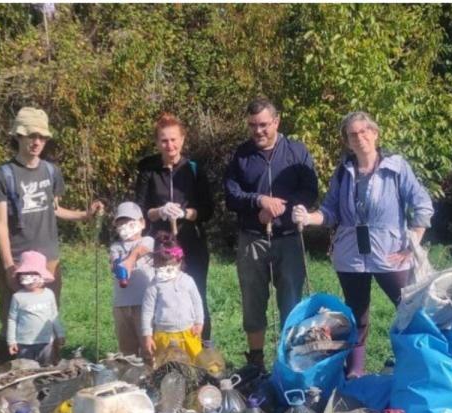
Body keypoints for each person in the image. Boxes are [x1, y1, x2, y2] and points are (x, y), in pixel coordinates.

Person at [292, 111, 434, 378]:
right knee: (356, 314)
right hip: (351, 256)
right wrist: (308, 217)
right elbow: (331, 211)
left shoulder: (396, 167)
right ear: (347, 140)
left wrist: (411, 245)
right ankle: (354, 373)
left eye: (364, 132)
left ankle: (423, 365)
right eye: (353, 134)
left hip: (390, 254)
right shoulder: (344, 172)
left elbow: (422, 205)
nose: (359, 138)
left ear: (375, 133)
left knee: (410, 308)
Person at [0, 106, 103, 365]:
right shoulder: (3, 175)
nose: (37, 142)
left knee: (47, 320)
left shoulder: (51, 172)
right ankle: (8, 381)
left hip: (49, 261)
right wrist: (7, 267)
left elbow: (55, 209)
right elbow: (0, 224)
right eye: (31, 136)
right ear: (19, 135)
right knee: (12, 321)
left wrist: (85, 214)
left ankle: (47, 379)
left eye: (42, 137)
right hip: (17, 260)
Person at [225, 98, 318, 373]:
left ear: (276, 122)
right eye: (253, 125)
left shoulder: (296, 151)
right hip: (251, 238)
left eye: (264, 124)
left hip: (289, 237)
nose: (259, 131)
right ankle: (255, 361)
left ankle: (289, 361)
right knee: (253, 301)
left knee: (290, 300)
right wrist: (258, 201)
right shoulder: (240, 155)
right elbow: (231, 195)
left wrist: (277, 209)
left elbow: (310, 191)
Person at [134, 113, 215, 344]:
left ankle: (200, 348)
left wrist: (186, 213)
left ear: (182, 139)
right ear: (157, 142)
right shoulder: (148, 170)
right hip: (161, 245)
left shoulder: (194, 169)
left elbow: (208, 210)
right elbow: (140, 210)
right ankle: (161, 350)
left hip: (192, 243)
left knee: (195, 294)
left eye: (174, 139)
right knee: (160, 296)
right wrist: (159, 211)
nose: (170, 145)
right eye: (164, 140)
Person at [141, 232, 205, 362]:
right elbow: (147, 311)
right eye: (162, 267)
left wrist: (199, 322)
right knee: (166, 367)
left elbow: (197, 302)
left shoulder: (188, 281)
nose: (167, 270)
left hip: (188, 333)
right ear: (156, 264)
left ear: (179, 261)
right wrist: (147, 335)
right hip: (164, 336)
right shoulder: (154, 285)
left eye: (171, 266)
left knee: (194, 364)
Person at [109, 201, 155, 358]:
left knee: (148, 345)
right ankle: (130, 375)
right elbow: (114, 263)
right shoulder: (116, 246)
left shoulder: (147, 240)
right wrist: (117, 265)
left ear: (142, 223)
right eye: (121, 225)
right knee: (126, 347)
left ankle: (151, 374)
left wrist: (129, 261)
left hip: (144, 303)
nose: (125, 228)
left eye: (130, 223)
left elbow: (141, 250)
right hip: (121, 304)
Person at [6, 250, 66, 366]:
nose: (29, 280)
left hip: (45, 342)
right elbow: (12, 319)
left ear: (41, 276)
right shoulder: (18, 297)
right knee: (25, 369)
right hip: (24, 343)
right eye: (25, 276)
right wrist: (11, 341)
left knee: (46, 368)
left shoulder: (48, 294)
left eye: (33, 275)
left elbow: (54, 316)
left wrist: (60, 334)